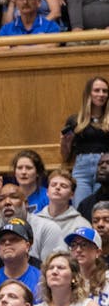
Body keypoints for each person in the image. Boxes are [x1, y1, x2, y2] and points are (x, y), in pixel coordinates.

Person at [61, 77, 109, 208]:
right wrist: (66, 142)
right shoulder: (75, 120)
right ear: (89, 93)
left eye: (105, 91)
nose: (101, 94)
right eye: (97, 90)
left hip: (105, 167)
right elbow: (65, 156)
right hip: (82, 169)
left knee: (104, 207)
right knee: (81, 207)